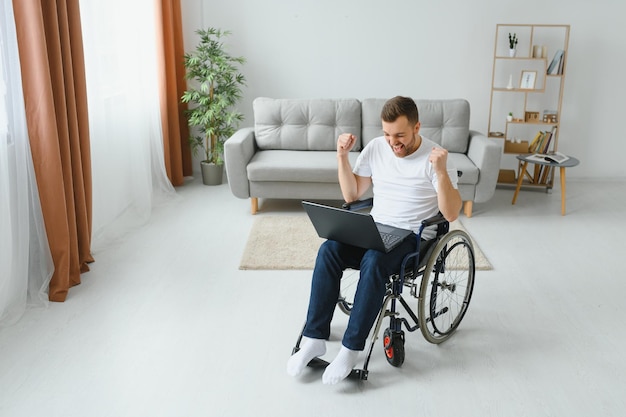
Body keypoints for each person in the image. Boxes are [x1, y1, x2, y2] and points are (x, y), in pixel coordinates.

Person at [287, 96, 462, 384]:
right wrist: (342, 156)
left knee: (375, 259)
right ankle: (314, 338)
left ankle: (350, 348)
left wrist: (441, 172)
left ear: (417, 127)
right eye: (387, 134)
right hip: (376, 229)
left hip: (414, 238)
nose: (393, 142)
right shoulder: (377, 148)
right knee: (329, 249)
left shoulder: (437, 157)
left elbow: (451, 213)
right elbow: (351, 194)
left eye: (400, 135)